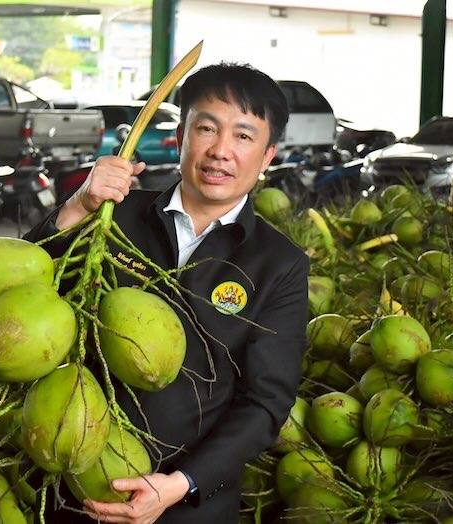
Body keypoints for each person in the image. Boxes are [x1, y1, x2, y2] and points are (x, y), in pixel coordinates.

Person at [24, 62, 310, 523]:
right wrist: (78, 206)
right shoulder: (114, 213)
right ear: (181, 136)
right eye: (206, 128)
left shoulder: (278, 264)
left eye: (242, 136)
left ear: (267, 156)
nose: (220, 151)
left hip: (189, 507)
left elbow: (266, 402)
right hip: (75, 492)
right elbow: (26, 287)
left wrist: (180, 483)